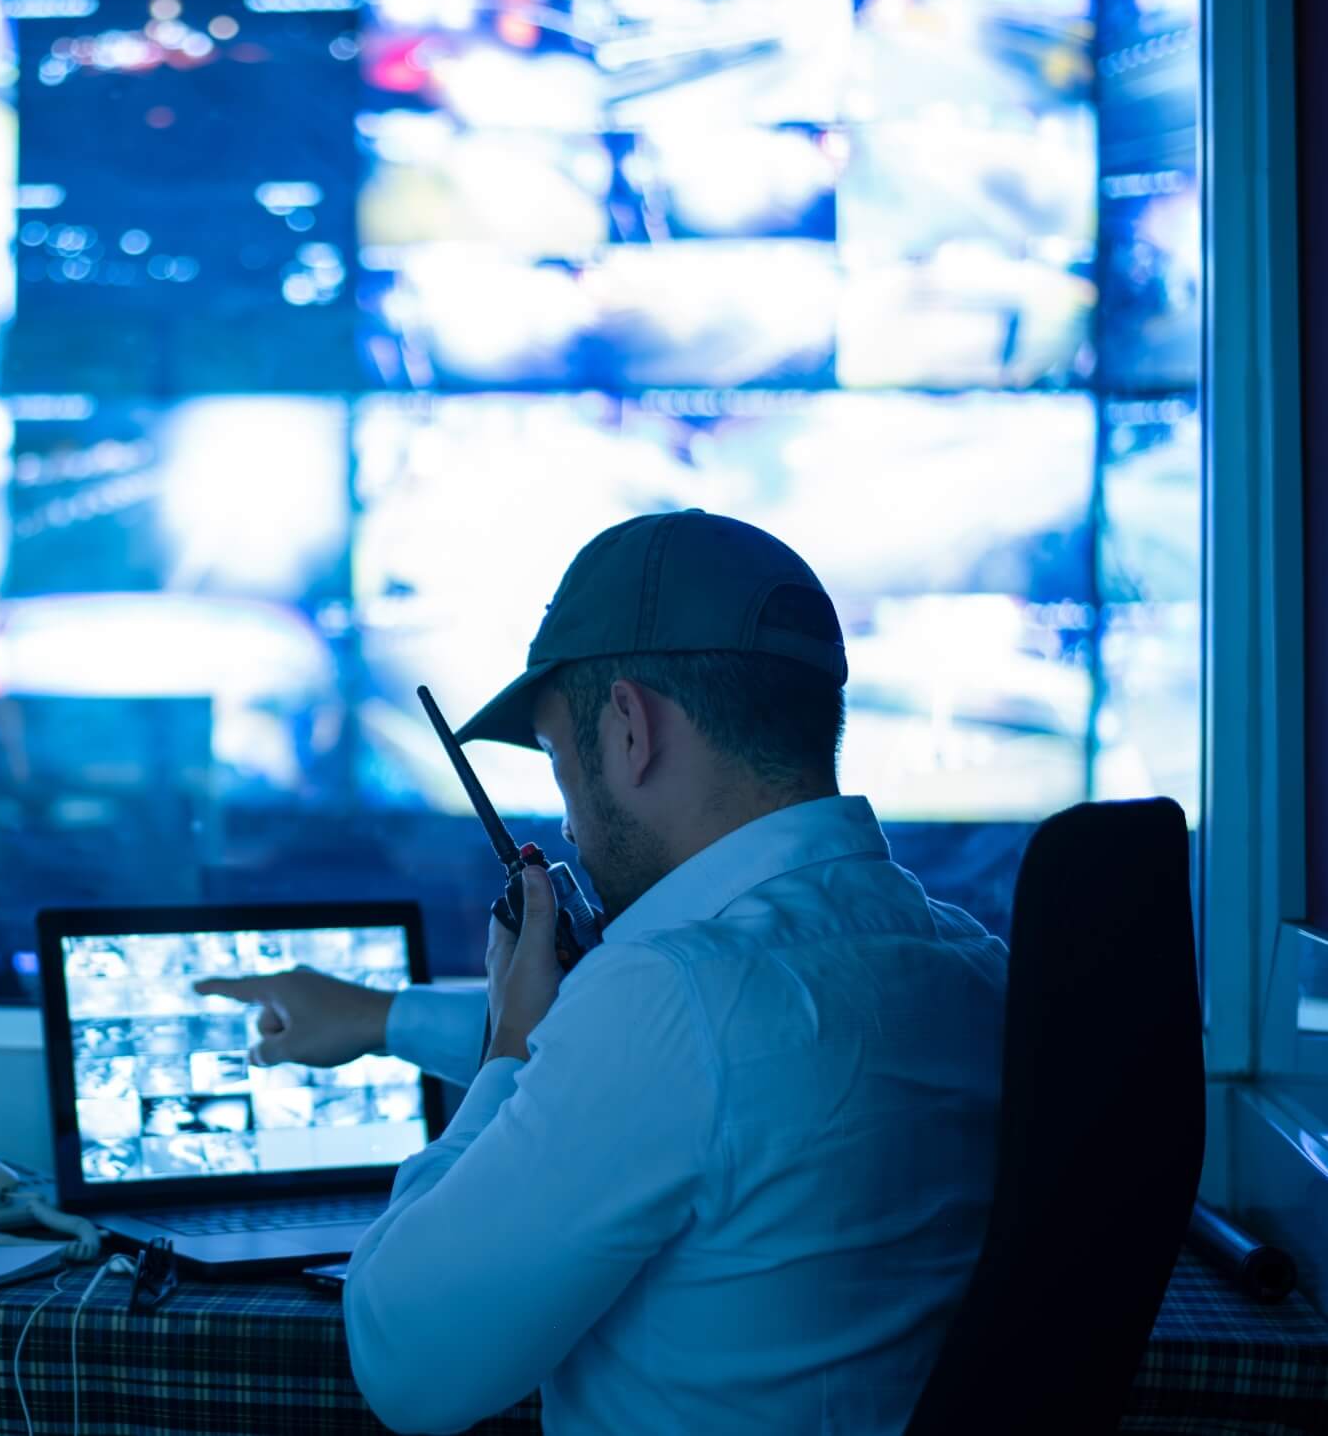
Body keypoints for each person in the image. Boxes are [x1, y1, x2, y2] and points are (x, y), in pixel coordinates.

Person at [196, 511, 1008, 1434]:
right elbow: (703, 1084)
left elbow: (404, 1361)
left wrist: (508, 1047)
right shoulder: (969, 964)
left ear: (630, 728)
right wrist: (386, 1019)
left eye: (555, 760)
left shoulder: (669, 995)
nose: (570, 820)